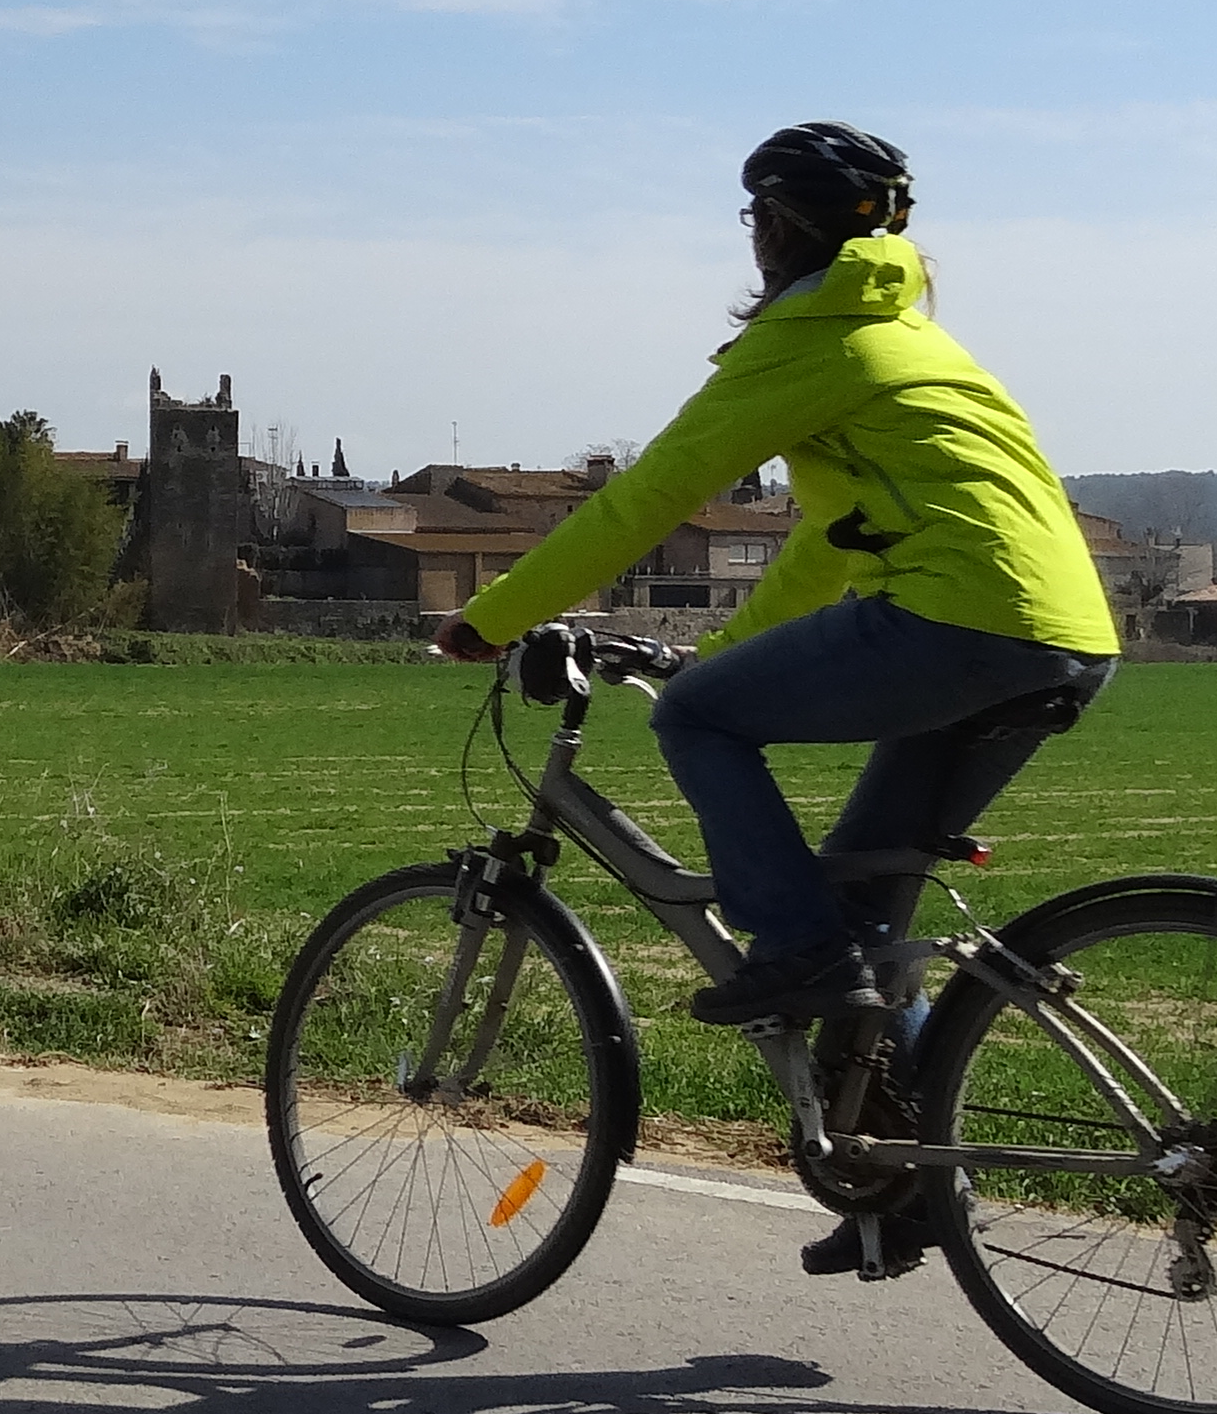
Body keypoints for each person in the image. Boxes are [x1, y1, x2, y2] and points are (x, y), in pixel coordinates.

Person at [439, 123, 1118, 1030]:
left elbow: (644, 501)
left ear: (778, 225)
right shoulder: (908, 341)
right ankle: (897, 1150)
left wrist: (490, 617)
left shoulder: (810, 343)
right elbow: (831, 544)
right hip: (1067, 637)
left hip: (958, 623)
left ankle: (796, 950)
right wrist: (720, 649)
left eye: (756, 213)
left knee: (700, 718)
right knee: (866, 916)